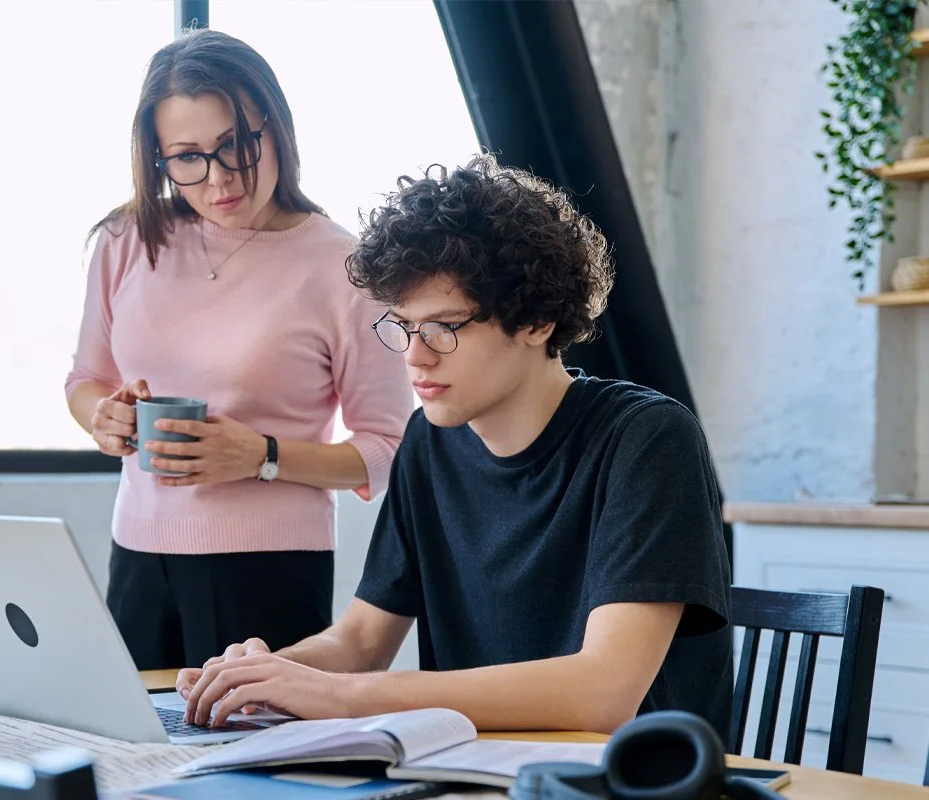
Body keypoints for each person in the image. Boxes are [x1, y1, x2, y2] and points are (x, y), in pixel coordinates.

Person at [176, 153, 734, 737]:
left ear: (537, 320)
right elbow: (362, 640)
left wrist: (344, 697)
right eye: (405, 327)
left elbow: (601, 693)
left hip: (626, 781)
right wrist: (264, 676)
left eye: (445, 327)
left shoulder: (646, 439)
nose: (416, 356)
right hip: (474, 771)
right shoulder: (428, 443)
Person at [64, 30, 411, 671]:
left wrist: (263, 457)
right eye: (187, 157)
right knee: (135, 758)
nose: (219, 179)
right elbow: (86, 378)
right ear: (158, 158)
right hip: (138, 556)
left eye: (237, 145)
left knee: (253, 762)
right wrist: (102, 417)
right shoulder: (126, 238)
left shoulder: (345, 265)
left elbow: (389, 451)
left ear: (275, 127)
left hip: (270, 567)